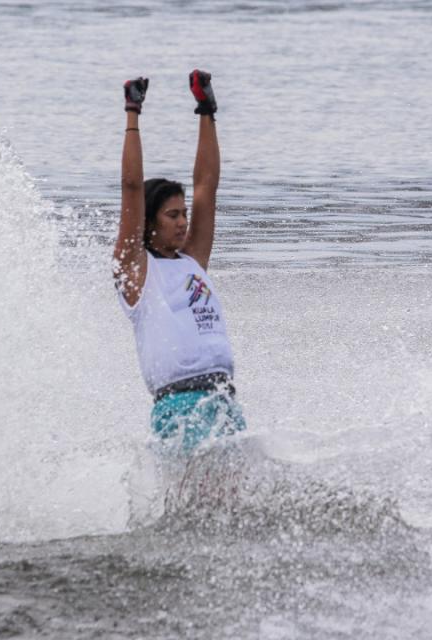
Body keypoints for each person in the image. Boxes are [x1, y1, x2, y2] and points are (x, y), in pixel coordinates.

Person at [114, 70, 246, 453]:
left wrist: (206, 109)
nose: (184, 222)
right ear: (148, 222)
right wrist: (132, 113)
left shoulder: (192, 260)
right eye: (172, 215)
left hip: (223, 402)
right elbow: (132, 188)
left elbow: (206, 183)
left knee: (230, 507)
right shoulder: (136, 271)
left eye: (184, 214)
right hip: (179, 408)